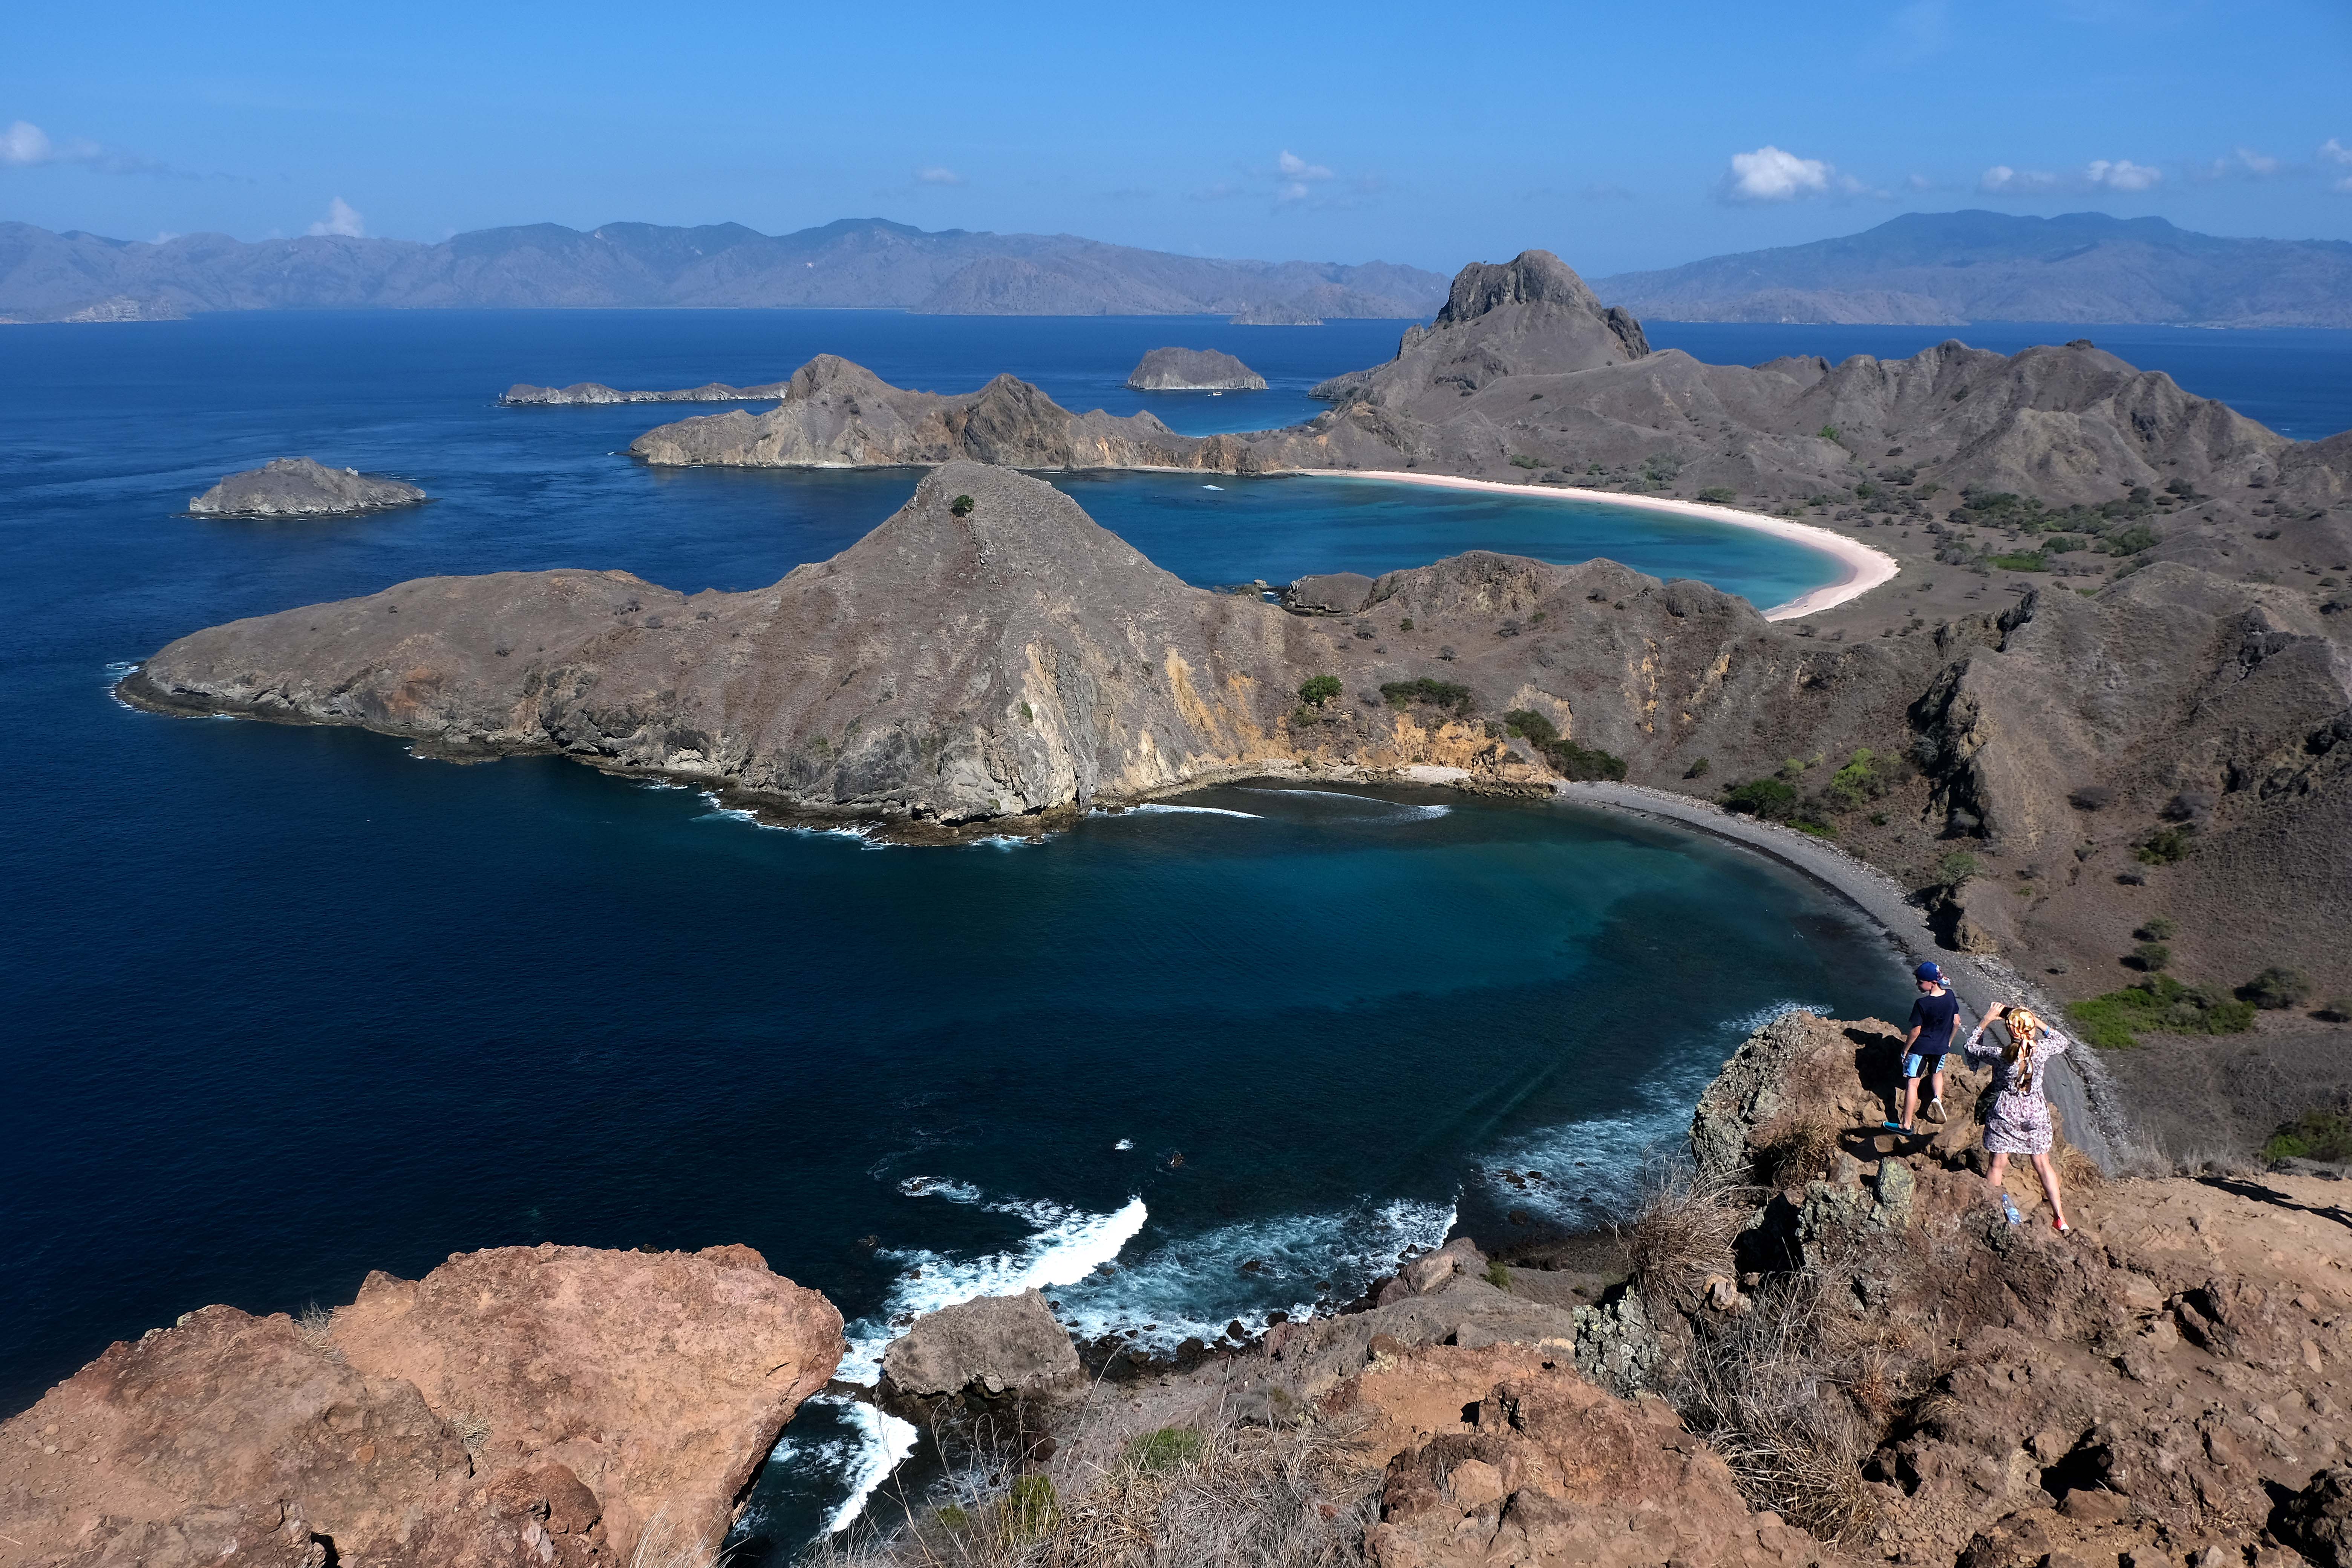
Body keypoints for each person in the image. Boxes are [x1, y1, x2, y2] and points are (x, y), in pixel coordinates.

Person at [1960, 1002, 2073, 1235]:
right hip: (2035, 1112)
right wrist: (2036, 1020)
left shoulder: (2000, 1055)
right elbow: (2062, 1041)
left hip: (2005, 1112)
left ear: (2010, 1030)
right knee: (2043, 1164)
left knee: (1997, 1164)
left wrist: (1987, 1020)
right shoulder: (2041, 1050)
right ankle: (2060, 1218)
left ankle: (1991, 1209)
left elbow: (1970, 1047)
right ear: (2030, 1029)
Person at [1887, 960, 1968, 1134]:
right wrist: (1949, 1042)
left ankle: (1906, 1125)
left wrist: (1905, 1050)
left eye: (1920, 981)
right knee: (1937, 1073)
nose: (1917, 984)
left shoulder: (1922, 1004)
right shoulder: (1950, 996)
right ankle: (1937, 1099)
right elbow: (1956, 1022)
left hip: (1921, 1048)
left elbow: (1916, 1031)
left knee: (1912, 1082)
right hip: (1941, 1046)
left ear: (1932, 983)